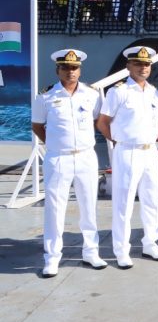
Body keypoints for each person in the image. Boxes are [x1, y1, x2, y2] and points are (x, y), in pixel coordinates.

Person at [32, 49, 106, 278]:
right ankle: (52, 257)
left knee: (89, 206)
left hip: (86, 156)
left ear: (79, 70)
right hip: (58, 158)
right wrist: (54, 143)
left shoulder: (92, 95)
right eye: (65, 68)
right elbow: (37, 125)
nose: (70, 72)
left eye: (74, 68)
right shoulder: (45, 96)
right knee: (55, 209)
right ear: (58, 70)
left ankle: (91, 252)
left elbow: (98, 120)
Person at [97, 46, 158, 269]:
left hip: (150, 151)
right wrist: (118, 141)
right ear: (128, 66)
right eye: (138, 63)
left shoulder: (154, 92)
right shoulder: (118, 92)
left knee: (151, 200)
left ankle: (150, 244)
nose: (143, 68)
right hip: (127, 151)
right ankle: (121, 250)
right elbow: (102, 122)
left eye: (146, 64)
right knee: (124, 203)